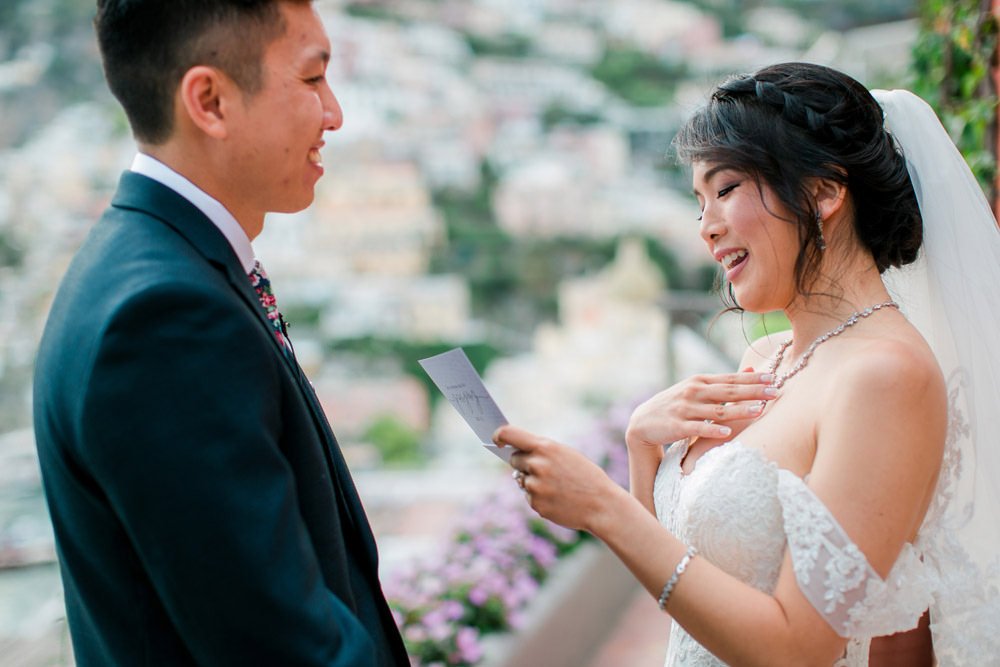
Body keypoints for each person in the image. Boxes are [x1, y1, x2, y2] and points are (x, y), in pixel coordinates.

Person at [495, 62, 1000, 666]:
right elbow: (689, 591)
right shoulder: (766, 357)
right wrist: (640, 447)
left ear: (823, 191)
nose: (706, 228)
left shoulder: (886, 376)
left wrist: (604, 510)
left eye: (726, 189)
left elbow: (798, 648)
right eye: (699, 201)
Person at [32, 1, 409, 664]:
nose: (336, 114)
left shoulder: (146, 261)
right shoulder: (163, 318)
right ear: (209, 100)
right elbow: (280, 644)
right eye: (313, 79)